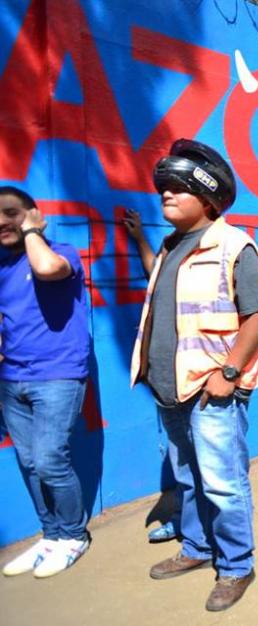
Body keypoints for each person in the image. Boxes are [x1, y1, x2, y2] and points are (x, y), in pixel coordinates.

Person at [129, 139, 258, 611]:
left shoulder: (233, 245)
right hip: (171, 389)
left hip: (213, 390)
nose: (165, 195)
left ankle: (236, 566)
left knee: (222, 481)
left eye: (177, 188)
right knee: (187, 477)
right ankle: (196, 549)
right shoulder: (171, 246)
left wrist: (229, 372)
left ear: (208, 198)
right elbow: (165, 296)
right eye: (163, 189)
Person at [0, 186, 92, 579]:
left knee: (51, 459)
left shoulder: (62, 253)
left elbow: (46, 270)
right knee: (30, 462)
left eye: (12, 213)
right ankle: (51, 536)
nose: (3, 222)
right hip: (12, 379)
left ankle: (74, 535)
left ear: (34, 215)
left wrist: (33, 233)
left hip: (58, 374)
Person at [123, 209, 182, 545]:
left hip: (202, 379)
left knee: (208, 463)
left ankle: (215, 536)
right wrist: (141, 238)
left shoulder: (224, 249)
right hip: (167, 377)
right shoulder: (170, 246)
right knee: (180, 458)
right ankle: (184, 522)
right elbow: (155, 273)